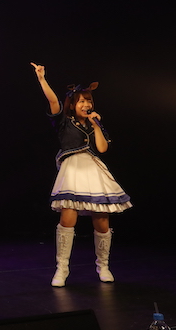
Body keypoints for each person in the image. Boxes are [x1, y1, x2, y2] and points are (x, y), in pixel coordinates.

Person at [31, 62, 131, 287]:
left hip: (93, 170)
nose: (86, 104)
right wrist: (42, 78)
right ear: (73, 104)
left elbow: (102, 148)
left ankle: (103, 266)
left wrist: (96, 125)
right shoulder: (64, 122)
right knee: (68, 217)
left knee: (102, 219)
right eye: (82, 101)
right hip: (73, 170)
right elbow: (53, 102)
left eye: (89, 101)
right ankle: (62, 268)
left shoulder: (95, 124)